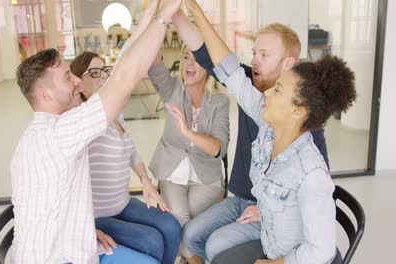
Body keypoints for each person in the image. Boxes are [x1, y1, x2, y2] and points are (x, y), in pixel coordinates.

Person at [9, 0, 183, 263]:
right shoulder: (60, 133)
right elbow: (124, 77)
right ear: (44, 94)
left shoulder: (41, 133)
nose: (77, 81)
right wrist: (163, 17)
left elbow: (119, 68)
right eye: (68, 77)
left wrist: (84, 231)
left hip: (61, 245)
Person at [183, 0, 356, 263]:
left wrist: (277, 263)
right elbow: (230, 72)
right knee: (208, 247)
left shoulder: (310, 172)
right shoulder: (268, 124)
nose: (265, 93)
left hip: (286, 256)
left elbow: (321, 250)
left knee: (217, 252)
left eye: (277, 91)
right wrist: (195, 11)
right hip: (270, 239)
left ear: (297, 111)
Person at [69, 51, 181, 264]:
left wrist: (146, 181)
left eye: (104, 71)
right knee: (152, 241)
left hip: (123, 203)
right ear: (78, 83)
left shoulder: (115, 113)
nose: (102, 76)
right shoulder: (81, 121)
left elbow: (132, 152)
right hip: (98, 216)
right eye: (93, 72)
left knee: (171, 226)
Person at [146, 41, 230, 262]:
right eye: (185, 57)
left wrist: (187, 131)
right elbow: (154, 63)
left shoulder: (219, 102)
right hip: (172, 173)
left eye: (197, 59)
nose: (189, 64)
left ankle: (184, 257)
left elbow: (218, 149)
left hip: (206, 177)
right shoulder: (172, 89)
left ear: (210, 66)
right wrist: (159, 20)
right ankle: (194, 260)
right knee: (181, 218)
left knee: (184, 223)